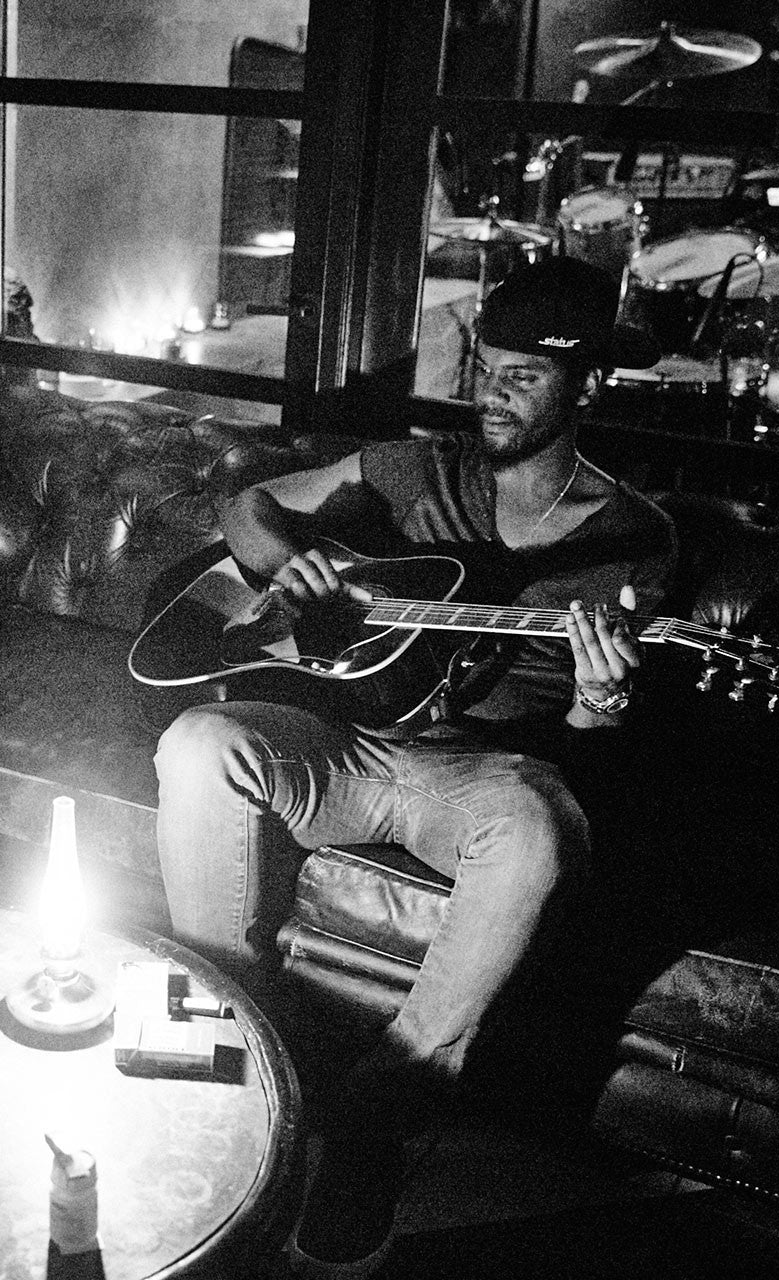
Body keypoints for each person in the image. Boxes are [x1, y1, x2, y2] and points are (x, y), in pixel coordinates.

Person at [151, 257, 676, 1277]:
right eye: (491, 366)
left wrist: (599, 699)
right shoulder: (413, 469)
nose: (497, 391)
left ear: (588, 387)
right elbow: (246, 506)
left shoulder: (633, 537)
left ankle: (378, 1119)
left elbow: (592, 749)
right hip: (347, 740)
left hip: (478, 773)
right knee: (198, 744)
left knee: (537, 823)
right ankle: (239, 1035)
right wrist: (295, 564)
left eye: (528, 376)